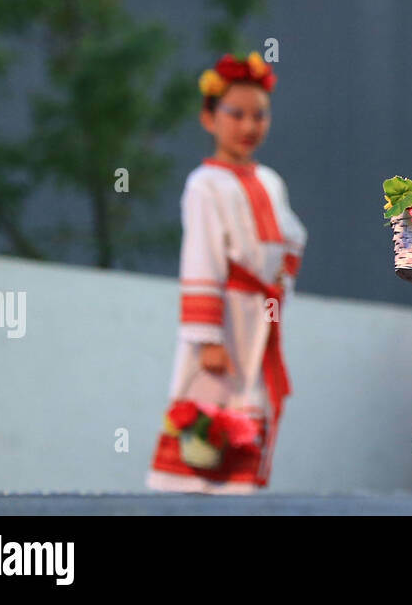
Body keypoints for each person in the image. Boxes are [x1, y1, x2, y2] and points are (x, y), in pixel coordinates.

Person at [147, 52, 307, 493]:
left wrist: (279, 287)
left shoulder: (271, 180)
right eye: (235, 114)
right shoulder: (204, 184)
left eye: (259, 115)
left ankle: (240, 494)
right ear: (208, 118)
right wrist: (208, 338)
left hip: (258, 316)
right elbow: (200, 260)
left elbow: (293, 238)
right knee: (209, 406)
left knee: (250, 400)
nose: (249, 126)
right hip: (223, 320)